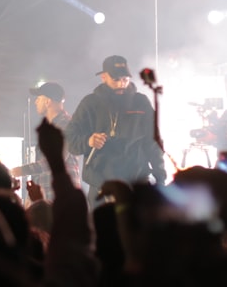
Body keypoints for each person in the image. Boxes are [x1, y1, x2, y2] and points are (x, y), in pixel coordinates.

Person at [66, 55, 166, 199]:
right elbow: (70, 138)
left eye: (125, 79)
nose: (121, 84)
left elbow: (153, 142)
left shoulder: (141, 102)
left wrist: (160, 178)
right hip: (101, 184)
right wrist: (88, 141)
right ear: (104, 77)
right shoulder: (90, 103)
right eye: (116, 80)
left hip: (137, 182)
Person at [11, 82, 80, 200]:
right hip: (50, 192)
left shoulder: (65, 124)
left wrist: (21, 170)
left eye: (38, 98)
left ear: (47, 102)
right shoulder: (51, 126)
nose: (35, 102)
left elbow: (55, 160)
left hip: (61, 194)